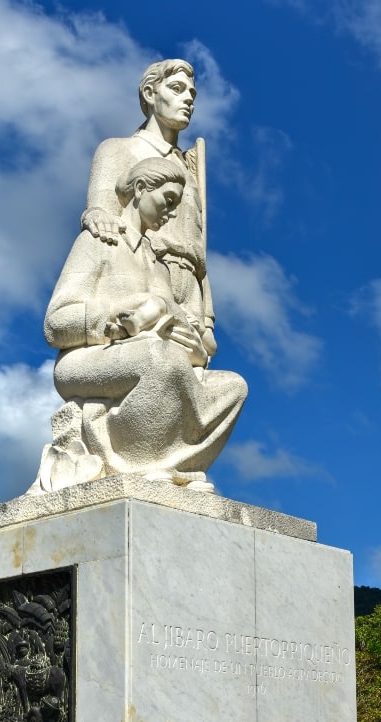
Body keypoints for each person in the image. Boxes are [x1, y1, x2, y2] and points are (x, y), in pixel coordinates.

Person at [40, 157, 246, 486]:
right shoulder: (97, 242)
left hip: (151, 357)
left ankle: (174, 466)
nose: (173, 212)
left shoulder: (159, 266)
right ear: (140, 189)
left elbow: (179, 331)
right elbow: (55, 324)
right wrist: (116, 317)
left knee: (232, 387)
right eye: (168, 200)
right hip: (83, 363)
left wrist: (193, 346)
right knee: (159, 357)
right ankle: (132, 459)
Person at [82, 60, 216, 360]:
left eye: (192, 95)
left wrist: (207, 314)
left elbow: (198, 244)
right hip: (144, 268)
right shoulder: (117, 149)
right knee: (148, 360)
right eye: (177, 89)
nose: (188, 100)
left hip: (189, 283)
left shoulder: (189, 173)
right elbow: (100, 214)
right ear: (150, 93)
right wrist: (95, 216)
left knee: (195, 366)